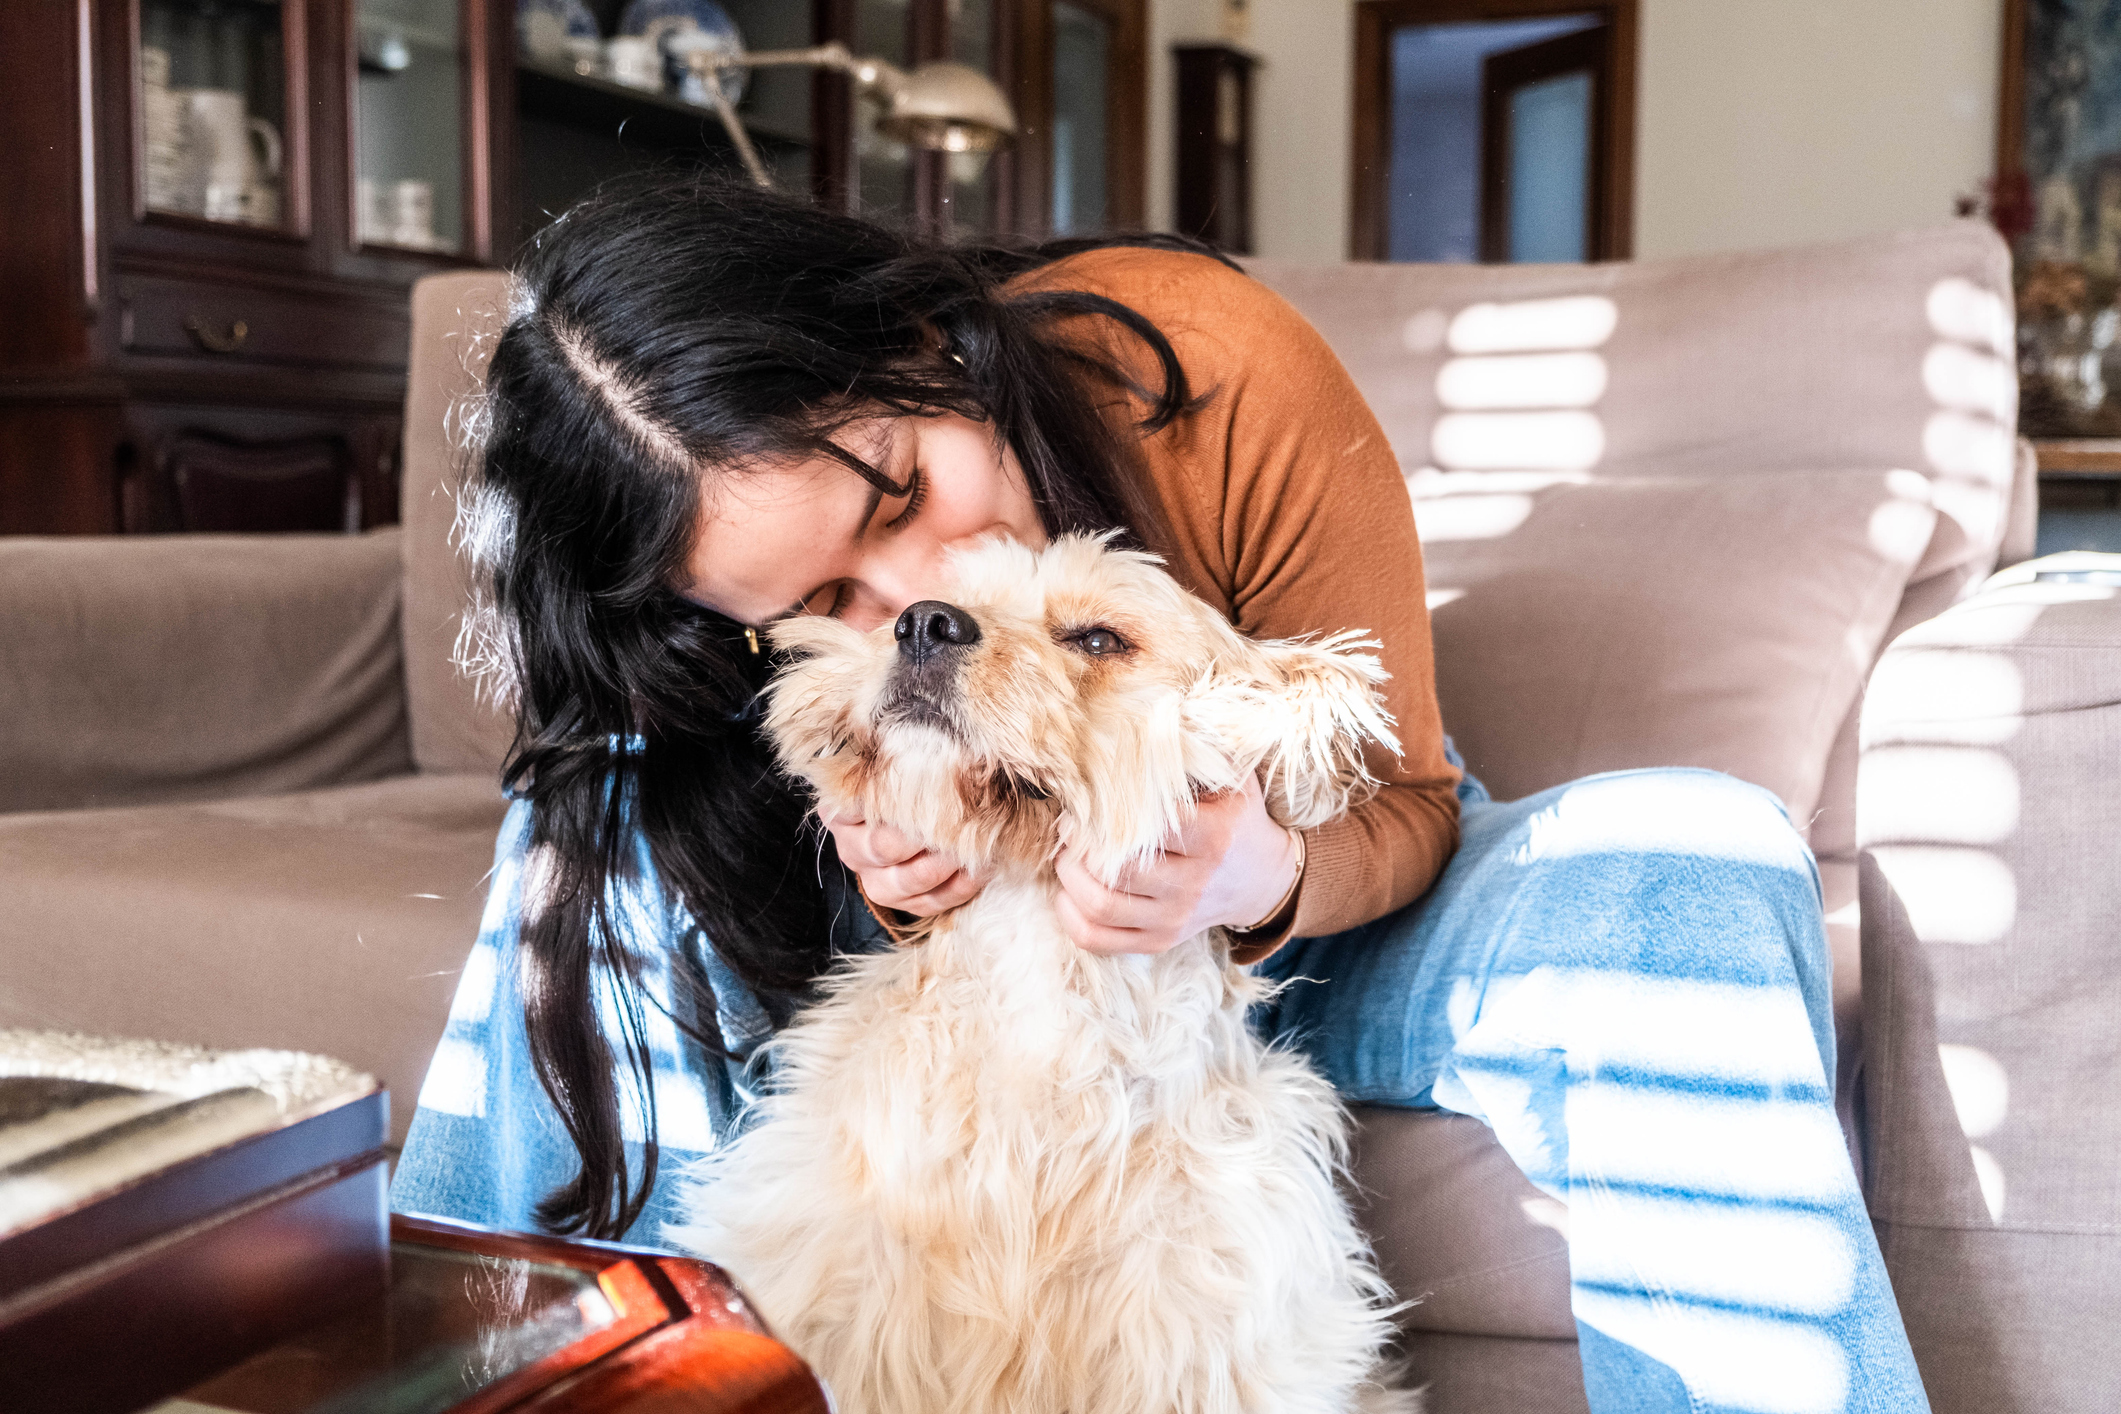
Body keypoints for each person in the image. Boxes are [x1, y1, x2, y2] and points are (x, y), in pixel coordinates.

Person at [391, 176, 1928, 1414]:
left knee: (1696, 849)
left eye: (909, 494)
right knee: (580, 830)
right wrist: (876, 844)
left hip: (1316, 905)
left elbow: (1399, 791)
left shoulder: (1203, 370)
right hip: (970, 968)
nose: (924, 598)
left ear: (922, 337)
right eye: (828, 598)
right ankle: (487, 1366)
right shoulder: (731, 631)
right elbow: (782, 774)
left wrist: (1255, 874)